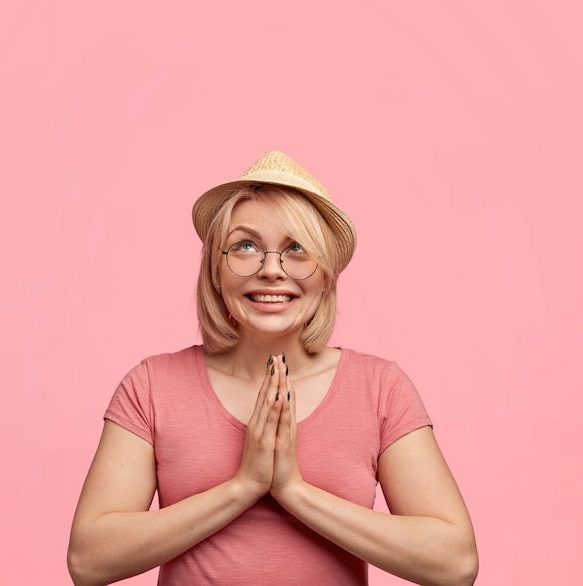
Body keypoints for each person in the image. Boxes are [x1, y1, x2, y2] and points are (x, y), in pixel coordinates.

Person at [67, 150, 479, 586]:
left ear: (326, 275)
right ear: (215, 271)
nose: (270, 270)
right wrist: (243, 486)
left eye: (296, 249)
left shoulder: (380, 388)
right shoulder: (151, 386)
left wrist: (293, 491)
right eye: (246, 246)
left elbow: (455, 565)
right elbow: (89, 561)